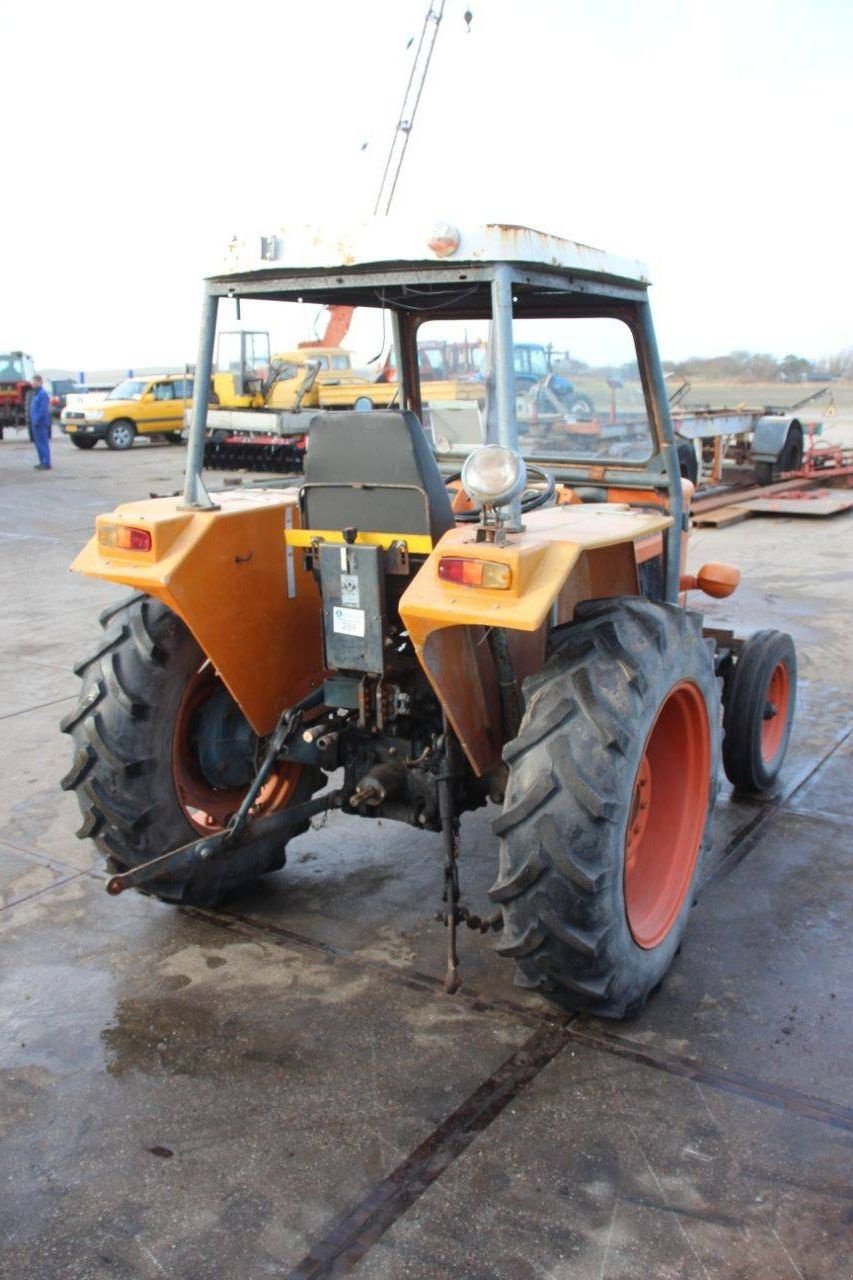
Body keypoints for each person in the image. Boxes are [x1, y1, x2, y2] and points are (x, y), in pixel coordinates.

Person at [30, 375, 52, 470]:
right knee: (38, 444)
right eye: (33, 382)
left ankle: (46, 463)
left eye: (35, 382)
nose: (33, 384)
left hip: (41, 423)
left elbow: (43, 410)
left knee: (43, 443)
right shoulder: (36, 394)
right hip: (35, 423)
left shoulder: (42, 394)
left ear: (40, 382)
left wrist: (37, 420)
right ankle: (42, 462)